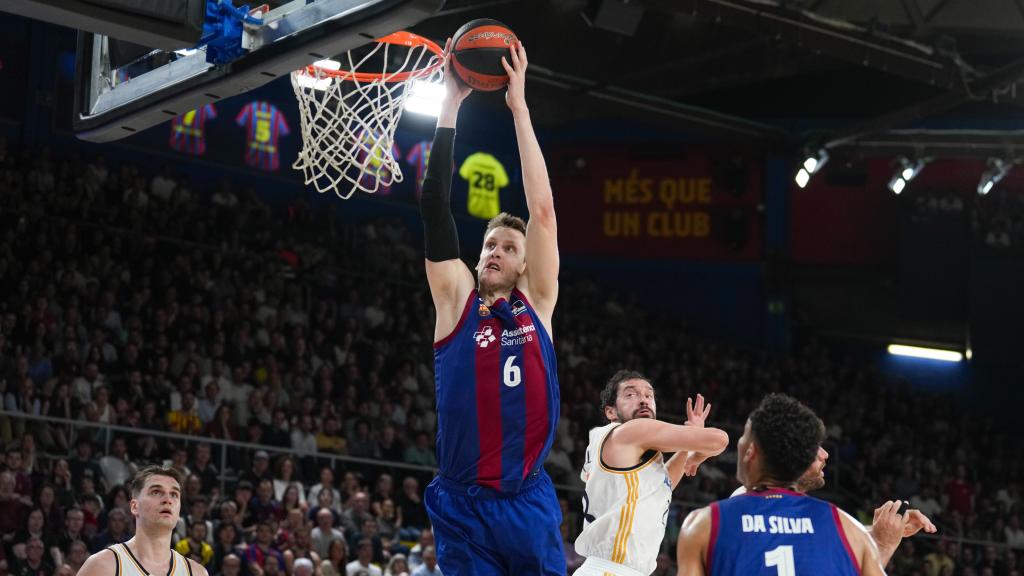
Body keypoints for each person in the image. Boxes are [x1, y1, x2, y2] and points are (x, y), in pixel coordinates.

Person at [420, 37, 563, 576]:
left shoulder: (536, 302)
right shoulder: (456, 297)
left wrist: (519, 107)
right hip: (462, 503)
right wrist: (450, 105)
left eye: (508, 247)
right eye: (489, 246)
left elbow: (543, 210)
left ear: (525, 266)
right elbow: (434, 206)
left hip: (525, 497)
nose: (495, 253)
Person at [677, 394, 885, 575]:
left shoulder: (703, 524)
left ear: (751, 451)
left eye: (743, 437)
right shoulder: (850, 529)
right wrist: (884, 543)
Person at [573, 371, 729, 575]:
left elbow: (660, 487)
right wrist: (697, 452)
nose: (643, 400)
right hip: (613, 569)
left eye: (649, 395)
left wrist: (688, 450)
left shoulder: (622, 448)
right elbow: (720, 440)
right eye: (631, 395)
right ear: (611, 412)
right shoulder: (630, 432)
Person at [77, 465, 208, 576]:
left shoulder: (196, 572)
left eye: (174, 494)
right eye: (156, 492)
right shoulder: (103, 566)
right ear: (134, 507)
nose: (168, 500)